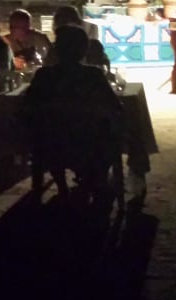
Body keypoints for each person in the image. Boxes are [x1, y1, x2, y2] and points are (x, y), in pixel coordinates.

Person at [22, 25, 123, 197]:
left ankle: (62, 184)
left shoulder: (44, 75)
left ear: (57, 50)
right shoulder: (93, 75)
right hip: (88, 141)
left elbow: (28, 106)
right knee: (108, 133)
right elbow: (115, 106)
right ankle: (96, 180)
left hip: (51, 142)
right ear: (84, 50)